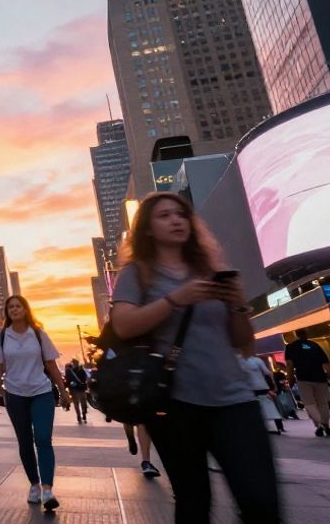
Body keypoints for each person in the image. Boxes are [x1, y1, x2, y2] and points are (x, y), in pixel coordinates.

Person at [109, 192, 280, 524]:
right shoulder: (138, 274)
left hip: (235, 399)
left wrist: (238, 305)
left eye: (181, 214)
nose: (176, 220)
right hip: (174, 404)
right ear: (146, 229)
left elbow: (244, 344)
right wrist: (176, 299)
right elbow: (124, 324)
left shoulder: (212, 271)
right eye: (164, 216)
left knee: (261, 501)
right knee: (193, 499)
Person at [0, 295, 70, 514]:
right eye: (10, 307)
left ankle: (47, 490)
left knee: (43, 439)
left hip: (41, 392)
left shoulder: (38, 334)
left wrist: (63, 391)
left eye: (18, 306)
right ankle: (34, 484)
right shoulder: (3, 336)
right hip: (15, 395)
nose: (14, 309)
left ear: (25, 309)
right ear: (7, 312)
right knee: (24, 441)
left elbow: (51, 365)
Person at [284, 328, 330, 437]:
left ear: (294, 335)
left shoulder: (290, 347)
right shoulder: (315, 345)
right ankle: (326, 425)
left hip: (304, 378)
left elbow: (289, 365)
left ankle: (320, 424)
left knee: (309, 403)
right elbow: (326, 363)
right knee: (323, 403)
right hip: (320, 378)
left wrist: (290, 378)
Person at [241, 354, 285, 434]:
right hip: (262, 386)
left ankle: (261, 427)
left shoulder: (240, 360)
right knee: (271, 407)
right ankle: (279, 427)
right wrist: (273, 385)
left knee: (257, 407)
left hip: (251, 388)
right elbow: (267, 373)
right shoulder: (257, 360)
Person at [64, 359, 89, 424]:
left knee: (81, 403)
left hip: (79, 389)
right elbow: (68, 380)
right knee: (77, 403)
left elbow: (84, 379)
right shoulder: (70, 371)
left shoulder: (80, 370)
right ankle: (79, 415)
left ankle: (83, 413)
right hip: (76, 390)